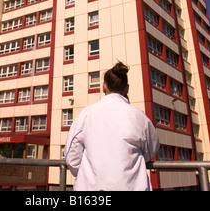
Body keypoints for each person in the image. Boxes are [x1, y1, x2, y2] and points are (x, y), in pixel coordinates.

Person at [64, 62, 159, 191]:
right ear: (127, 88)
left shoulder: (87, 114)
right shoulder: (139, 116)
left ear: (103, 87)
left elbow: (71, 155)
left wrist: (88, 174)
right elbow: (150, 150)